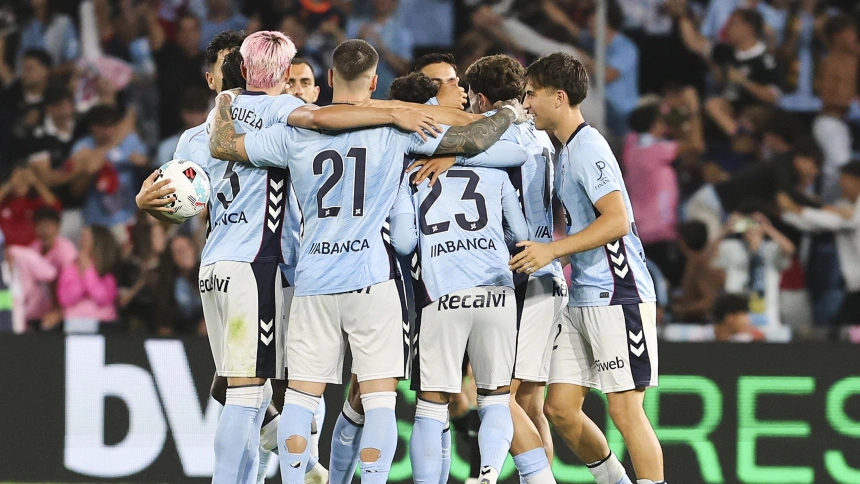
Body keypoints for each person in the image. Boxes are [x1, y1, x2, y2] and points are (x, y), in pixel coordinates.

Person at [208, 38, 528, 484]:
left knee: (300, 398)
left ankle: (297, 478)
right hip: (372, 280)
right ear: (375, 82)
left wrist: (225, 101)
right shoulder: (397, 128)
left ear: (329, 79)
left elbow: (224, 144)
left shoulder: (293, 132)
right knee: (378, 399)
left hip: (314, 278)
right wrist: (509, 113)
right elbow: (474, 140)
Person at [511, 52, 663, 484]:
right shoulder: (566, 150)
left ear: (558, 97)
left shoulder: (590, 148)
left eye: (531, 95)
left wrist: (552, 250)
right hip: (584, 295)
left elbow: (617, 220)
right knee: (559, 407)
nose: (526, 104)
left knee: (625, 410)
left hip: (619, 292)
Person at [392, 140, 529, 484]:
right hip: (497, 292)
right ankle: (488, 474)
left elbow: (404, 242)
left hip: (443, 294)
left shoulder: (410, 171)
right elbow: (522, 235)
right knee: (496, 399)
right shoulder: (494, 168)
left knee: (431, 407)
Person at [781, 160, 860, 326]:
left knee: (840, 332)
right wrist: (785, 213)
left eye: (844, 178)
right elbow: (815, 223)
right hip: (855, 288)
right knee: (841, 331)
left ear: (856, 180)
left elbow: (838, 221)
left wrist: (797, 209)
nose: (840, 183)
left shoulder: (851, 212)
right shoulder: (844, 206)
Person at [69, 104, 148, 238]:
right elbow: (75, 191)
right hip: (96, 221)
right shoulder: (82, 148)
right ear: (92, 127)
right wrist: (90, 170)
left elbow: (150, 172)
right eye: (103, 127)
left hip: (128, 216)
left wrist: (143, 164)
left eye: (112, 126)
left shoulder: (130, 142)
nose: (108, 132)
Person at [713, 212, 795, 327]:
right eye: (748, 225)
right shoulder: (732, 247)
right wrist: (725, 230)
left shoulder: (771, 249)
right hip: (738, 315)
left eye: (755, 225)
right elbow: (708, 256)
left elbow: (790, 249)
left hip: (767, 316)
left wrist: (768, 228)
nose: (751, 229)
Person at [813, 14, 858, 204]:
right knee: (839, 170)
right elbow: (827, 97)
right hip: (830, 122)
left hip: (847, 124)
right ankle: (828, 210)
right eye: (851, 33)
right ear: (837, 36)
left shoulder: (854, 60)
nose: (855, 37)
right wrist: (852, 103)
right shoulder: (828, 63)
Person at [57, 225, 120, 333]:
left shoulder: (107, 268)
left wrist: (88, 272)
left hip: (103, 325)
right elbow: (64, 299)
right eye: (82, 238)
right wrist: (81, 280)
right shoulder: (70, 267)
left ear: (98, 242)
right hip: (74, 325)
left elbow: (103, 298)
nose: (82, 242)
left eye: (86, 238)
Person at [28, 206, 76, 331]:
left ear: (58, 227)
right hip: (37, 312)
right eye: (40, 225)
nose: (44, 230)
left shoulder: (67, 250)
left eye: (48, 225)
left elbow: (71, 286)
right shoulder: (32, 249)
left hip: (62, 312)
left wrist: (59, 312)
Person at [672, 221, 725, 323]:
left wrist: (682, 310)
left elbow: (708, 302)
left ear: (683, 242)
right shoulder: (692, 263)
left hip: (700, 325)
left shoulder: (700, 266)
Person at [0, 165, 61, 247]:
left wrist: (36, 182)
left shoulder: (35, 202)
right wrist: (9, 184)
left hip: (32, 251)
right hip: (5, 251)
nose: (20, 182)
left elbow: (56, 206)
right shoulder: (4, 201)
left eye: (24, 180)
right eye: (18, 179)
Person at [155, 87, 211, 166]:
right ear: (183, 113)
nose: (195, 117)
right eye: (191, 112)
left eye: (199, 111)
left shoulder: (217, 144)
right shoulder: (167, 147)